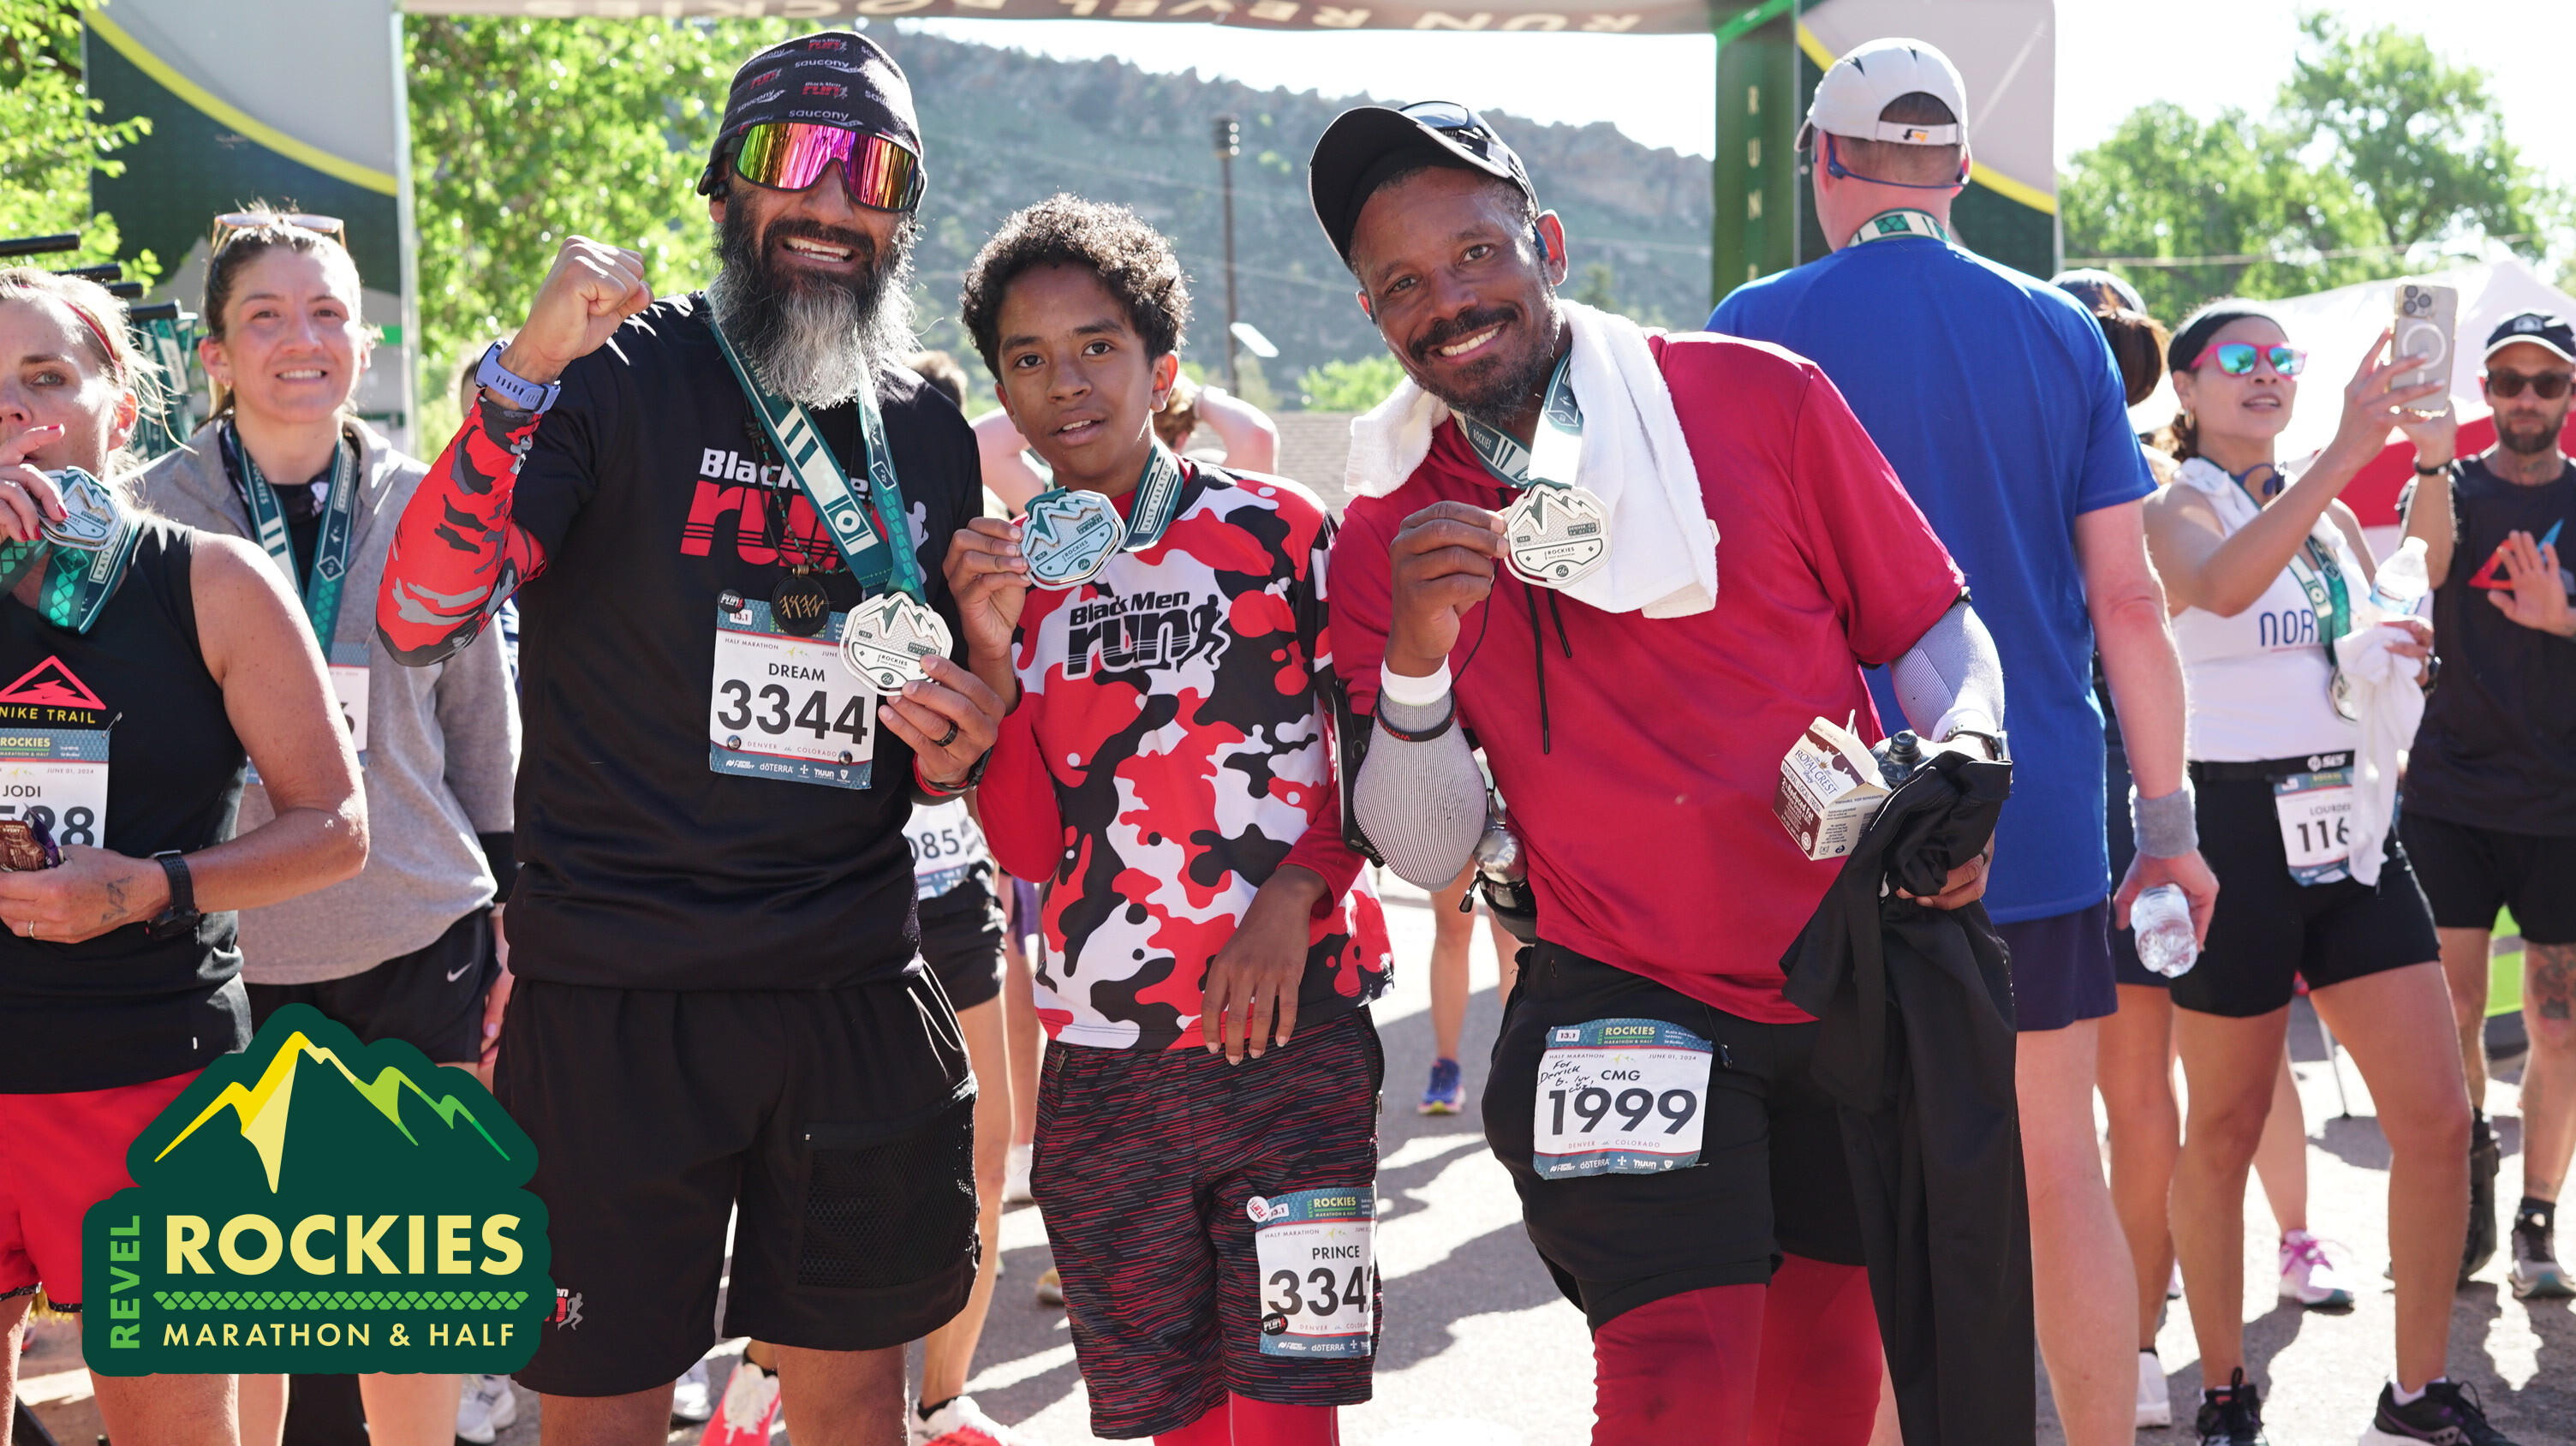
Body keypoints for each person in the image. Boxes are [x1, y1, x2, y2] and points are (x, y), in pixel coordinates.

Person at [1309, 101, 2007, 1443]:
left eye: (1475, 254)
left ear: (1550, 244)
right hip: (1615, 997)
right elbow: (1429, 848)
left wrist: (1968, 752)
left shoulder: (1761, 396)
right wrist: (1415, 659)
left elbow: (1927, 625)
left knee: (1820, 1386)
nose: (1447, 303)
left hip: (1836, 976)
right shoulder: (1393, 525)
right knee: (1675, 1386)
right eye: (1403, 285)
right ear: (1371, 316)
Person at [373, 32, 1003, 1446]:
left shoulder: (925, 424)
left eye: (874, 174)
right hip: (618, 993)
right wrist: (524, 367)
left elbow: (933, 749)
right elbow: (418, 615)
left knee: (855, 1402)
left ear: (904, 214)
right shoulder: (612, 375)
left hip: (847, 982)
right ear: (725, 185)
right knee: (603, 1411)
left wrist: (961, 738)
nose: (831, 202)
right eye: (793, 158)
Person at [1709, 41, 2217, 1446]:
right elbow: (2128, 601)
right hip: (2031, 806)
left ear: (1823, 162)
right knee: (2057, 1165)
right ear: (1957, 173)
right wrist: (2168, 828)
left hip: (1825, 816)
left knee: (1858, 1189)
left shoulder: (1751, 325)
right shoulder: (2059, 329)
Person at [946, 194, 1391, 1446]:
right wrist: (990, 653)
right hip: (1106, 1064)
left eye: (1097, 345)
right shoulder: (1006, 578)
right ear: (1002, 394)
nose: (1066, 382)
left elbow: (1377, 761)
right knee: (1176, 1420)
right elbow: (1025, 851)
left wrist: (1296, 896)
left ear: (1161, 367)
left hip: (1298, 1042)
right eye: (1028, 359)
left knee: (1291, 1410)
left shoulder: (1282, 530)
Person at [133, 213, 520, 1446]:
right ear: (214, 356)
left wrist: (512, 902)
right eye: (265, 315)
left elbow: (480, 724)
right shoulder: (148, 516)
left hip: (416, 929)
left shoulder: (431, 504)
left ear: (366, 341)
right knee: (246, 1300)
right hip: (227, 953)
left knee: (409, 1285)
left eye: (329, 312)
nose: (302, 337)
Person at [0, 267, 367, 1446]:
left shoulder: (210, 579)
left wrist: (147, 888)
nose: (12, 406)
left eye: (46, 376)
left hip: (146, 1072)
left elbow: (335, 825)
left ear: (121, 407)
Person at [2143, 301, 2505, 1445]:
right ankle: (2222, 1388)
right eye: (2236, 360)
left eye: (2280, 359)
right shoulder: (2170, 506)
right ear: (2185, 388)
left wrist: (2428, 468)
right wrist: (2346, 450)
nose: (2265, 374)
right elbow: (2220, 586)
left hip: (2349, 826)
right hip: (2230, 830)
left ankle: (2416, 1388)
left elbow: (2419, 569)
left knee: (2437, 1119)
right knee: (2227, 1123)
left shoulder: (2328, 511)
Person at [2053, 275, 2348, 1430]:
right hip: (2106, 807)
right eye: (2098, 342)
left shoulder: (2152, 489)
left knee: (2193, 1089)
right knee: (2133, 1102)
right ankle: (2125, 1333)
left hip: (2156, 806)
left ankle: (2158, 1318)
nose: (2105, 365)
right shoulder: (2129, 487)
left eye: (2118, 343)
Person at [2397, 310, 2576, 1301]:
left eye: (2545, 382)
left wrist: (2562, 617)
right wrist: (2428, 460)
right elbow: (2417, 572)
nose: (2525, 398)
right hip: (2449, 793)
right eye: (2508, 381)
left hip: (2561, 803)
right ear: (2485, 393)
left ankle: (2535, 1217)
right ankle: (2465, 1183)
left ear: (2568, 396)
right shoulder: (2447, 486)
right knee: (2450, 1011)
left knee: (2556, 1023)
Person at [974, 369, 1276, 512]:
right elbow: (1255, 438)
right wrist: (1195, 397)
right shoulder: (1212, 507)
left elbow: (982, 445)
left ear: (1181, 440)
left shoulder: (1061, 507)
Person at [1417, 863, 1519, 1114]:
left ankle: (1521, 1064)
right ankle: (1446, 1067)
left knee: (1510, 931)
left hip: (1509, 833)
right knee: (1451, 929)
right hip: (1449, 835)